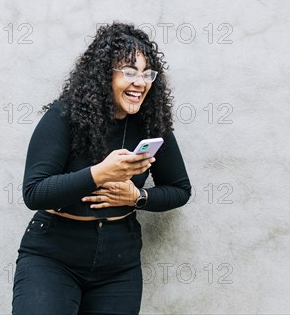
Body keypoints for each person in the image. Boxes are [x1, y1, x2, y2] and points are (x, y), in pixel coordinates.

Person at [11, 22, 192, 314]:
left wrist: (137, 197)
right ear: (104, 75)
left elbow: (180, 190)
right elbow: (34, 192)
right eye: (129, 72)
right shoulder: (64, 117)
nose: (140, 82)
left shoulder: (151, 124)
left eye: (147, 74)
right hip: (53, 256)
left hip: (119, 264)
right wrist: (99, 174)